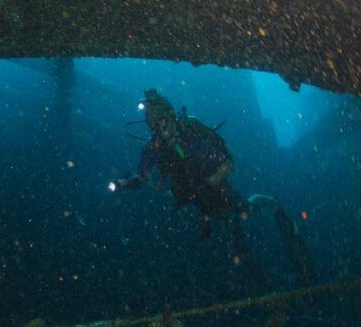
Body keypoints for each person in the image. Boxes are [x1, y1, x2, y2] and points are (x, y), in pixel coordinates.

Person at [111, 89, 315, 288]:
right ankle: (251, 274)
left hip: (216, 191)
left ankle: (270, 204)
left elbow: (227, 162)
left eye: (166, 122)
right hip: (192, 200)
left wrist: (209, 182)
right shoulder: (153, 149)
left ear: (172, 118)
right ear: (152, 127)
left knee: (242, 211)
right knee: (226, 230)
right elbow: (143, 177)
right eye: (157, 126)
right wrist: (124, 184)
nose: (164, 130)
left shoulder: (191, 132)